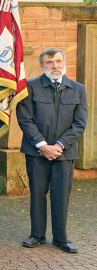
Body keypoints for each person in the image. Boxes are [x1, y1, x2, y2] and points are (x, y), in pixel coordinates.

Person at [17, 48, 88, 254]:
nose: (55, 66)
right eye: (49, 62)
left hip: (64, 153)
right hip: (36, 152)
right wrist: (43, 145)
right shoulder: (29, 87)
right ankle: (37, 234)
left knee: (61, 195)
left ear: (64, 62)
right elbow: (25, 119)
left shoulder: (78, 89)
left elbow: (80, 124)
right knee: (38, 194)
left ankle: (61, 238)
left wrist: (59, 146)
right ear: (42, 65)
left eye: (58, 61)